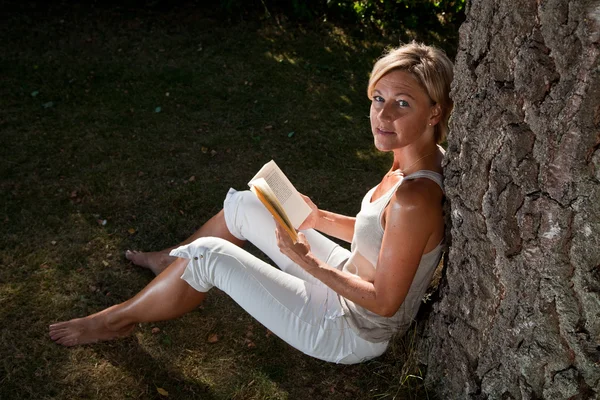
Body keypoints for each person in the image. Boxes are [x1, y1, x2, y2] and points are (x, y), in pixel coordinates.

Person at [49, 42, 453, 365]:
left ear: (434, 111)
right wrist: (318, 217)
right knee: (244, 205)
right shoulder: (416, 160)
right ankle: (169, 260)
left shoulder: (415, 197)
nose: (382, 115)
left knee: (209, 256)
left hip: (351, 328)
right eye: (378, 97)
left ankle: (114, 321)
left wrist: (310, 262)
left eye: (403, 103)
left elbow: (385, 302)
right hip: (350, 277)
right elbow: (384, 236)